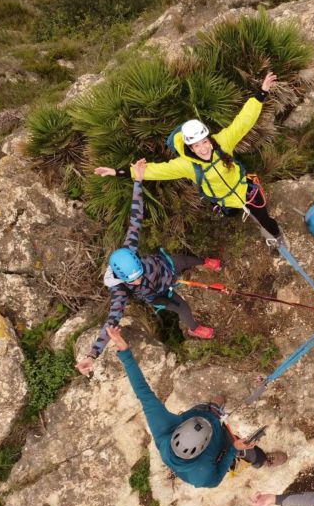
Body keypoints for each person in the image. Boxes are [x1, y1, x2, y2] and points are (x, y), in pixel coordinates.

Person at [94, 72, 287, 248]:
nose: (203, 148)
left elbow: (243, 121)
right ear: (190, 147)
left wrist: (261, 93)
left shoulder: (223, 142)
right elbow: (156, 170)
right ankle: (235, 212)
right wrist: (117, 171)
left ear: (209, 139)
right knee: (231, 213)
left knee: (264, 218)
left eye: (204, 142)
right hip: (224, 199)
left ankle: (276, 236)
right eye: (196, 145)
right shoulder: (187, 165)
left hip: (245, 191)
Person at [75, 160, 218, 377]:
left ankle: (205, 261)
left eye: (139, 274)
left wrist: (138, 181)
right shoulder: (120, 290)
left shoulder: (129, 249)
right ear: (122, 279)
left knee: (188, 260)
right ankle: (193, 329)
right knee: (183, 308)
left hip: (166, 266)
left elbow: (136, 217)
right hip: (159, 294)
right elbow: (111, 321)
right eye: (133, 280)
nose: (138, 281)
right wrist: (91, 355)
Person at [106, 325, 287, 488]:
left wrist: (124, 350)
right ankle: (262, 462)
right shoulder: (205, 475)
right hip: (220, 447)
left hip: (203, 417)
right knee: (251, 453)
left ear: (178, 428)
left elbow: (143, 392)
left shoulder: (162, 427)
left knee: (216, 403)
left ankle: (214, 409)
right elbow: (217, 477)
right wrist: (233, 449)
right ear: (204, 446)